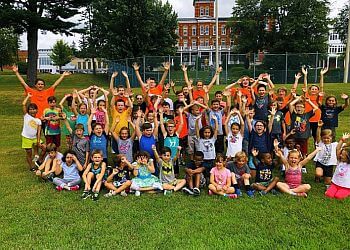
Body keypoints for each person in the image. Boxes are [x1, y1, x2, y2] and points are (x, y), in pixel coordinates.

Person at [21, 93, 43, 171]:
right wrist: (28, 96)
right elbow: (23, 104)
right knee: (29, 152)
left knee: (44, 147)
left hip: (34, 138)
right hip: (26, 138)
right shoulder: (26, 116)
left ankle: (39, 161)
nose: (32, 110)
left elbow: (39, 132)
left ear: (37, 110)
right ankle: (31, 167)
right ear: (28, 111)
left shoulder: (38, 120)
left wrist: (38, 141)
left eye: (34, 109)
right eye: (30, 109)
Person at [325, 133, 350, 199]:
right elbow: (337, 148)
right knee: (329, 194)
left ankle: (348, 191)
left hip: (346, 186)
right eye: (341, 154)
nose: (341, 155)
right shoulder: (339, 161)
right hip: (335, 184)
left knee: (338, 196)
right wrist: (342, 140)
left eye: (343, 155)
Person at [314, 121, 338, 186]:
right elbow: (318, 136)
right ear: (322, 138)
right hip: (320, 163)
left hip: (329, 165)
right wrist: (319, 127)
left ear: (332, 137)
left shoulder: (335, 145)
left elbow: (343, 144)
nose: (326, 139)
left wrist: (343, 140)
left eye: (328, 138)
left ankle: (325, 175)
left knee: (327, 182)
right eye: (324, 138)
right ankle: (318, 176)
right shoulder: (320, 144)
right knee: (319, 174)